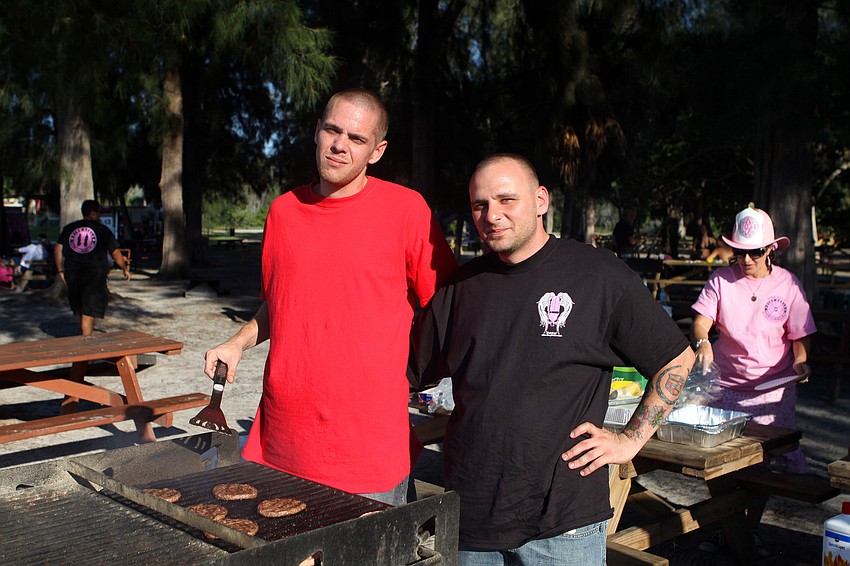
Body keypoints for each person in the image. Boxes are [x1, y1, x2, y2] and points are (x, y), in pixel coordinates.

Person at [410, 154, 694, 564]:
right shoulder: (462, 288)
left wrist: (630, 440)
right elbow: (407, 372)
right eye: (480, 204)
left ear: (541, 200)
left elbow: (676, 359)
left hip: (563, 523)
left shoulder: (599, 277)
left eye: (507, 200)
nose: (492, 215)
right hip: (472, 514)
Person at [203, 88, 457, 506]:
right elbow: (281, 304)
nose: (340, 145)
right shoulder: (282, 212)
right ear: (317, 131)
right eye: (332, 130)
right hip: (284, 435)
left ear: (377, 151)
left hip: (367, 447)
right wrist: (238, 342)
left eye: (357, 139)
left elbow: (448, 307)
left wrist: (411, 376)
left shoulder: (408, 211)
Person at [691, 204, 816, 475]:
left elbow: (800, 332)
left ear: (771, 249)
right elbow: (701, 322)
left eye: (755, 252)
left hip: (773, 387)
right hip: (726, 386)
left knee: (767, 458)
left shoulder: (789, 283)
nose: (747, 260)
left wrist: (802, 361)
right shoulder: (721, 279)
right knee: (720, 461)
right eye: (740, 252)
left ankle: (744, 514)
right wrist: (703, 343)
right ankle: (732, 514)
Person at [54, 200, 131, 336]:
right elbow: (115, 253)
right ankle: (87, 346)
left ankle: (85, 337)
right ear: (93, 213)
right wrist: (124, 269)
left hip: (73, 273)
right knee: (88, 313)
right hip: (94, 275)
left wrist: (60, 269)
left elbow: (58, 248)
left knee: (80, 310)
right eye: (99, 213)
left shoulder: (69, 228)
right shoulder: (102, 230)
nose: (100, 216)